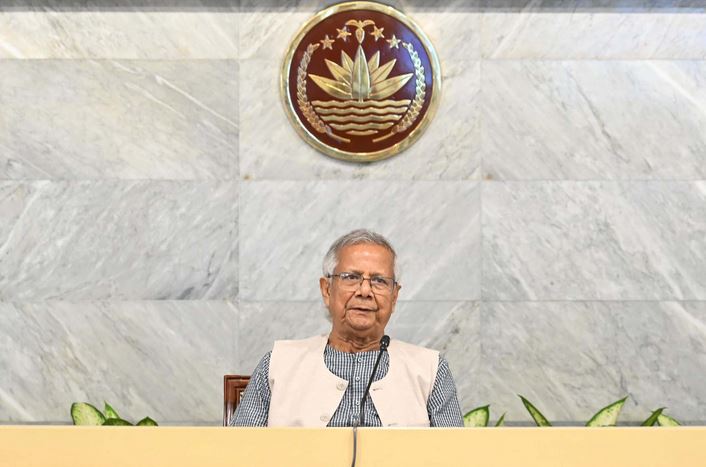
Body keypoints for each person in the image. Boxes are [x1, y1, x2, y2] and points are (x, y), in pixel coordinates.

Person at [231, 229, 463, 427]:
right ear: (327, 290)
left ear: (394, 297)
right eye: (351, 277)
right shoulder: (278, 364)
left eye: (379, 281)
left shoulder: (431, 370)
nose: (365, 291)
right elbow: (237, 452)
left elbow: (457, 455)